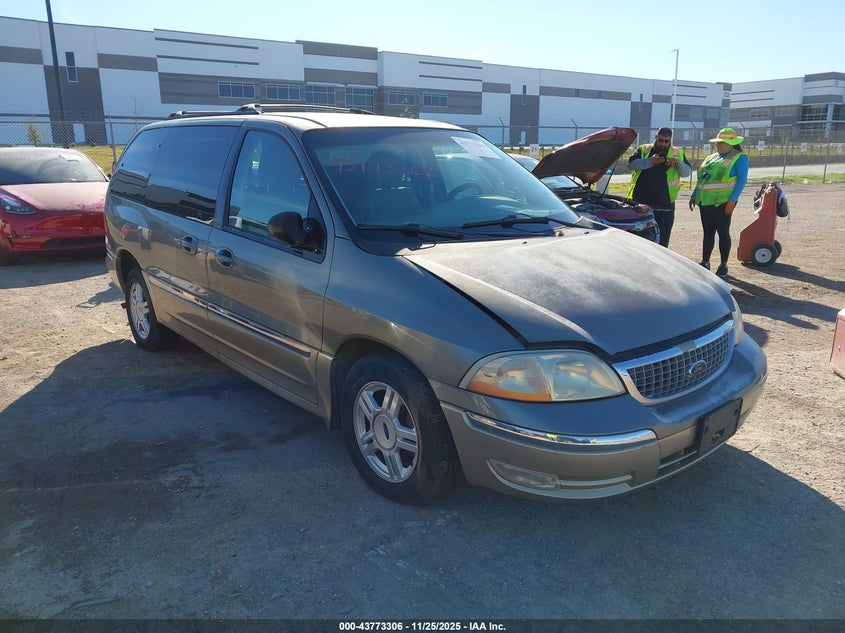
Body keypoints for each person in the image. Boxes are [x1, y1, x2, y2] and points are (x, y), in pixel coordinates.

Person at [688, 127, 749, 278]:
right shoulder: (711, 158)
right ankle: (705, 261)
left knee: (723, 233)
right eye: (718, 142)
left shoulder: (739, 158)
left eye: (721, 142)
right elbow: (703, 179)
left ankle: (723, 265)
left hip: (722, 203)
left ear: (731, 143)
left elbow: (741, 181)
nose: (718, 145)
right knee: (708, 233)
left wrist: (732, 201)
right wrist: (694, 195)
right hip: (705, 202)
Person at [627, 126, 692, 247]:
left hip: (665, 204)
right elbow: (632, 164)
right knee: (639, 240)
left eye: (666, 141)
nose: (662, 144)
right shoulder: (644, 150)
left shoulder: (677, 153)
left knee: (662, 242)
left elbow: (687, 172)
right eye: (660, 140)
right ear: (656, 137)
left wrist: (678, 163)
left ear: (670, 140)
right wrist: (651, 161)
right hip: (641, 202)